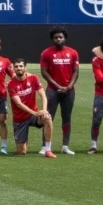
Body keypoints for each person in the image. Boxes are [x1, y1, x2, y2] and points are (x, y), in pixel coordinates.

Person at [38, 28, 81, 156]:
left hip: (69, 90)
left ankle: (65, 146)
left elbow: (75, 71)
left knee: (66, 118)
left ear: (65, 38)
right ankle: (45, 147)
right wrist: (57, 85)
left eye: (60, 37)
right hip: (52, 90)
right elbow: (44, 72)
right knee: (47, 118)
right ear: (53, 39)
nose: (58, 39)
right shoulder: (46, 53)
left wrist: (69, 86)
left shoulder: (73, 53)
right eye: (56, 37)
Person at [10, 60, 56, 158]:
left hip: (33, 116)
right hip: (20, 119)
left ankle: (48, 149)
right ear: (14, 69)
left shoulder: (33, 78)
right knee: (22, 152)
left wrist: (44, 110)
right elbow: (19, 104)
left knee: (48, 118)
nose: (19, 68)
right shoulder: (11, 84)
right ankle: (23, 141)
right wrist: (34, 113)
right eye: (16, 66)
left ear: (25, 67)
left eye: (21, 66)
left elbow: (43, 95)